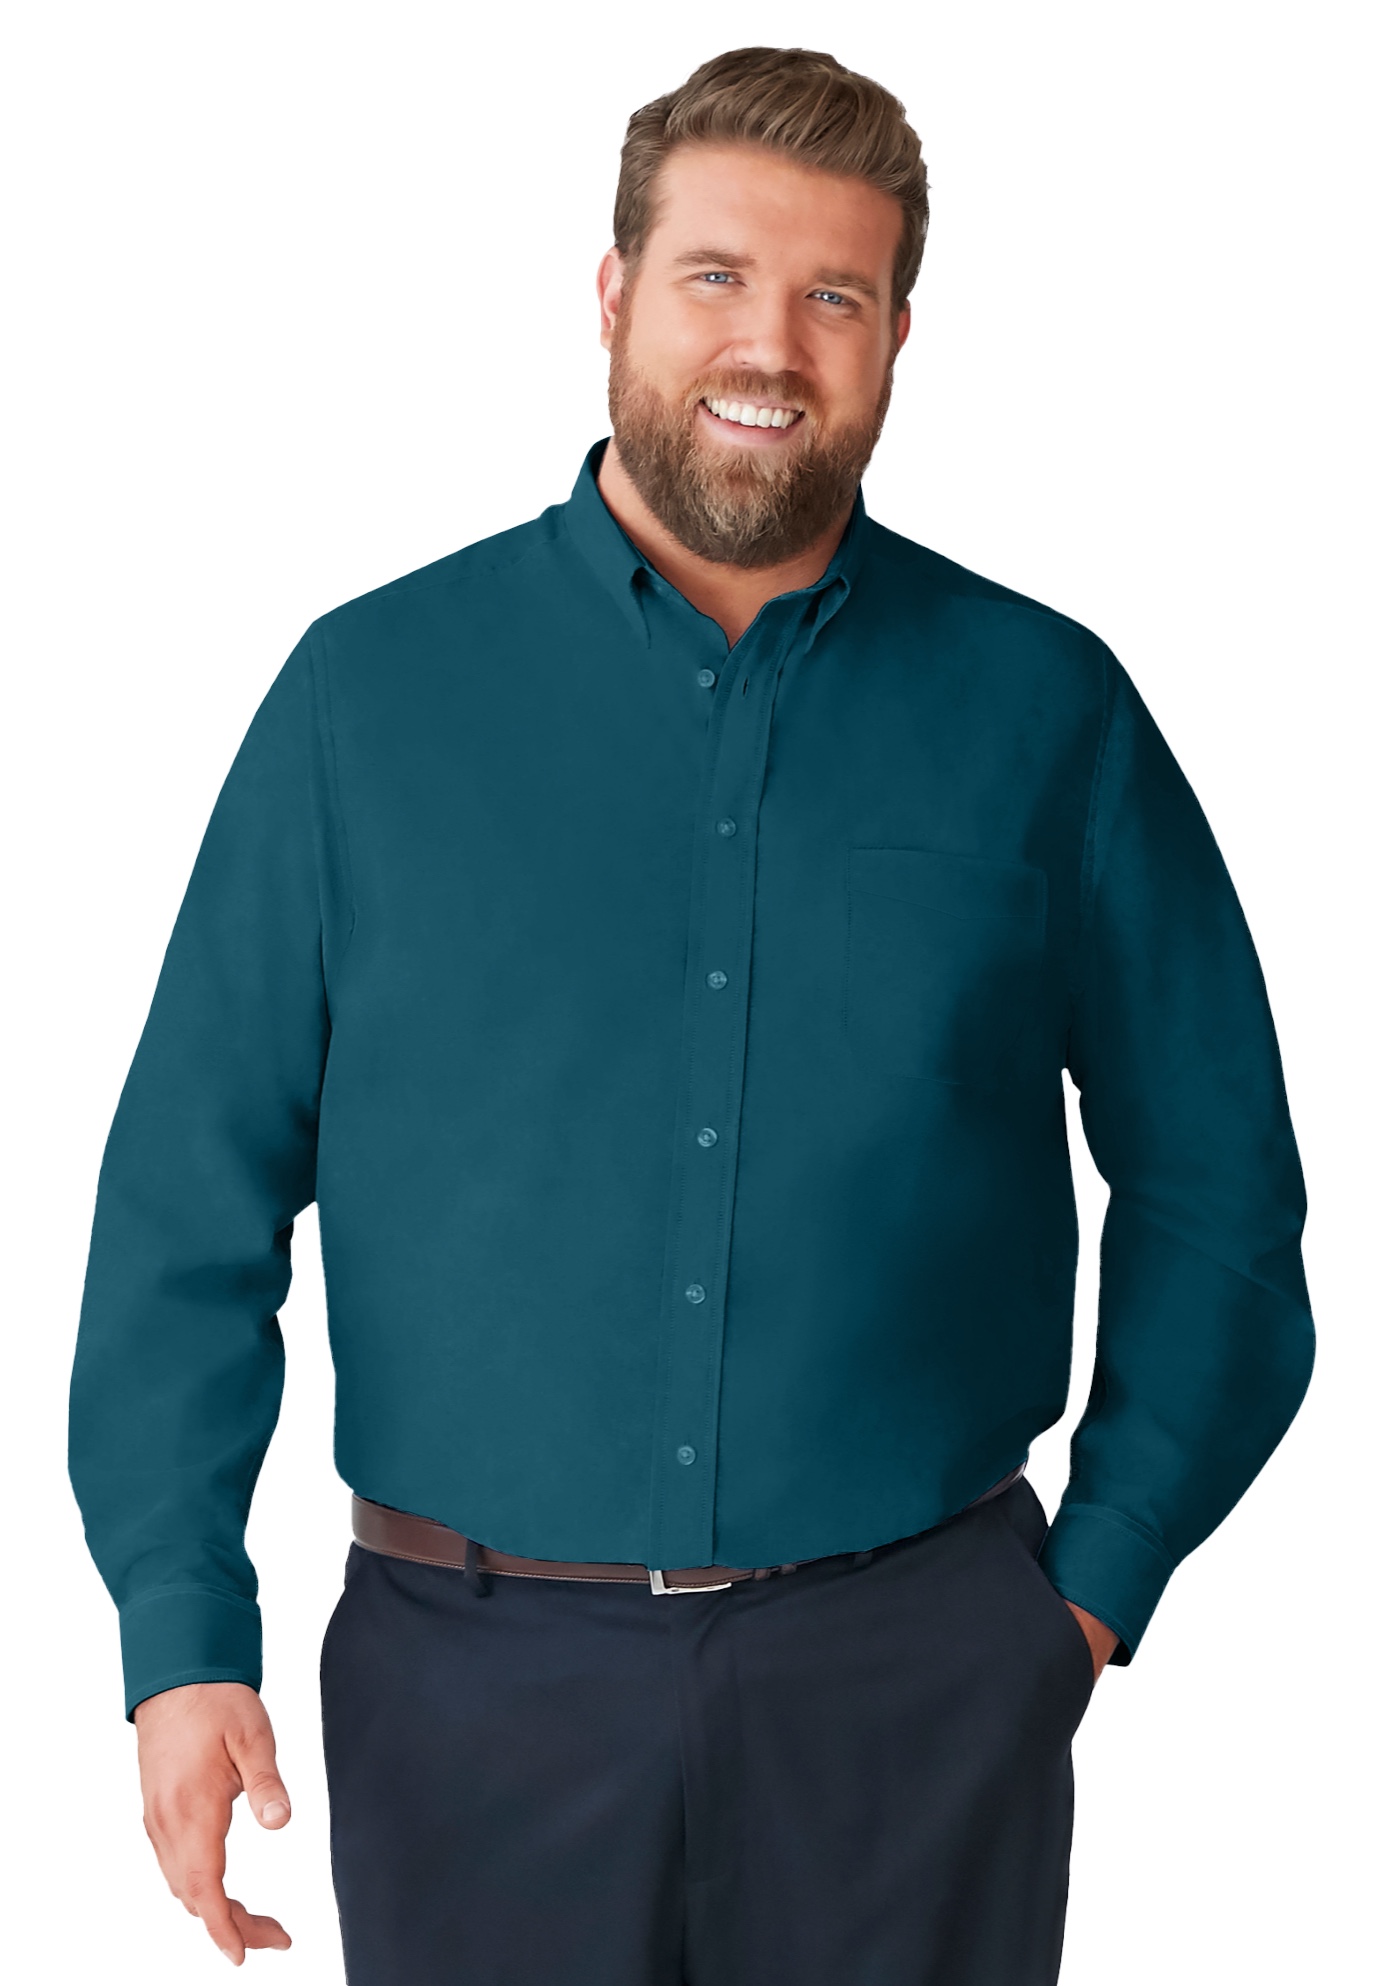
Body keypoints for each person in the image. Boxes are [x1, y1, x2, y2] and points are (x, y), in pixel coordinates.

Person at [68, 44, 1314, 1986]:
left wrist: (1090, 1584)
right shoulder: (366, 701)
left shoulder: (1045, 714)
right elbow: (182, 1206)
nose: (772, 346)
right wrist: (179, 1634)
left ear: (899, 337)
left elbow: (1222, 1192)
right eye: (718, 275)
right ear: (613, 294)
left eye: (836, 296)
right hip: (470, 1702)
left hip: (917, 1692)